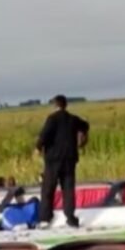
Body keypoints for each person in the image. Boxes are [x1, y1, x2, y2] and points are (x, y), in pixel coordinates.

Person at [35, 95, 90, 228]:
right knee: (68, 189)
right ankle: (70, 217)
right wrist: (83, 137)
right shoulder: (73, 119)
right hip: (70, 159)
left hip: (54, 160)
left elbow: (44, 135)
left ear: (55, 105)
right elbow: (85, 125)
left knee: (48, 188)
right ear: (65, 105)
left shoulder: (52, 119)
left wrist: (38, 148)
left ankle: (45, 218)